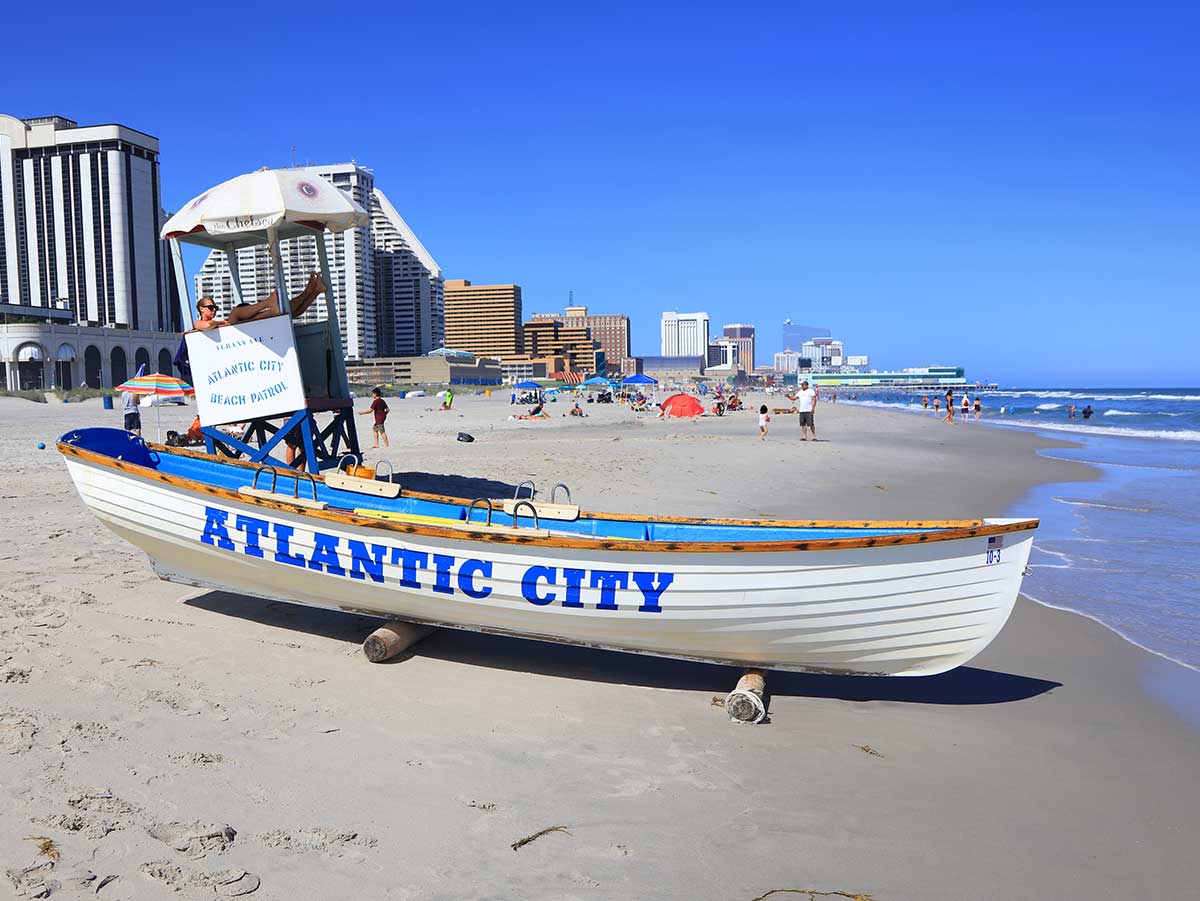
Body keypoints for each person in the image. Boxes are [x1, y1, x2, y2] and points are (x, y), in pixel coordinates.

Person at [191, 272, 327, 331]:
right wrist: (221, 322)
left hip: (242, 330)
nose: (214, 309)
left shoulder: (218, 320)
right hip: (236, 330)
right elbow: (207, 326)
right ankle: (270, 302)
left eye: (215, 307)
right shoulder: (197, 323)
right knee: (235, 314)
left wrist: (223, 322)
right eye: (210, 307)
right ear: (201, 309)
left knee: (290, 312)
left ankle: (314, 291)